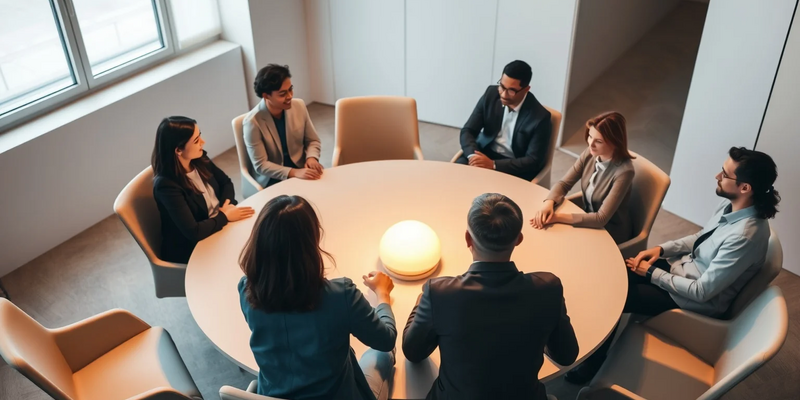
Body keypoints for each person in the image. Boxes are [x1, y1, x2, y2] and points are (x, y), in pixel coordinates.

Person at [565, 146, 781, 384]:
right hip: (682, 273)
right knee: (615, 272)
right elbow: (701, 238)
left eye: (724, 173)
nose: (717, 176)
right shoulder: (731, 205)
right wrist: (660, 250)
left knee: (616, 296)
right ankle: (588, 339)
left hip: (693, 300)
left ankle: (591, 365)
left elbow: (703, 292)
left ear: (745, 188)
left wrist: (652, 272)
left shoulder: (745, 236)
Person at [403, 193, 579, 400]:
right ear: (519, 239)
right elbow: (566, 356)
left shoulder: (439, 293)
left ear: (468, 238)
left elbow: (413, 352)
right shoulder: (548, 288)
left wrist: (420, 302)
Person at [238, 195, 396, 400]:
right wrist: (383, 295)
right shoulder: (341, 296)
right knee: (383, 355)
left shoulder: (247, 289)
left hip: (274, 393)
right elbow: (386, 340)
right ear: (313, 240)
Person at [152, 116, 254, 264]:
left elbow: (226, 183)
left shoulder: (199, 159)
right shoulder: (166, 186)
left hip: (218, 224)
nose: (203, 142)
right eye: (196, 140)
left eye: (199, 135)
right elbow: (194, 232)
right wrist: (224, 216)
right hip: (194, 247)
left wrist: (226, 208)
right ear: (178, 150)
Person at [531, 112, 635, 244]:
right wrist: (548, 203)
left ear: (615, 142)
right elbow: (564, 184)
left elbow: (601, 218)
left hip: (609, 231)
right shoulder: (590, 153)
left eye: (598, 141)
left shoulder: (624, 172)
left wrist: (557, 217)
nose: (590, 144)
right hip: (586, 217)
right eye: (590, 137)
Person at [457, 60, 553, 181]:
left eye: (511, 90)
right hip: (483, 152)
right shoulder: (491, 94)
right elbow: (468, 130)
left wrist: (493, 165)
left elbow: (533, 161)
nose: (503, 94)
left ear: (526, 89)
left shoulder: (540, 118)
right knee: (455, 177)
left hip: (513, 167)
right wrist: (473, 156)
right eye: (502, 86)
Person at [243, 64, 323, 188]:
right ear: (266, 96)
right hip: (272, 178)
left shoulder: (299, 106)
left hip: (301, 167)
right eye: (282, 94)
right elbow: (261, 165)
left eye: (290, 89)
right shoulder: (252, 122)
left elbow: (312, 140)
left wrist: (311, 157)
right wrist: (294, 172)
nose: (290, 96)